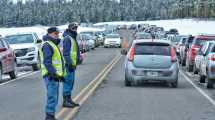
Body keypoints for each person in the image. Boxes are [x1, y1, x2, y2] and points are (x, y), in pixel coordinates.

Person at [40, 27, 64, 120]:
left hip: (54, 75)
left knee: (54, 96)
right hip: (50, 75)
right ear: (49, 34)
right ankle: (49, 117)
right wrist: (53, 73)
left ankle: (51, 116)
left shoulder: (52, 44)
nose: (57, 35)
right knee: (52, 96)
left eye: (58, 33)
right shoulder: (47, 45)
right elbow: (47, 62)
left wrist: (60, 75)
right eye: (55, 33)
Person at [62, 22, 80, 108]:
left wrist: (78, 58)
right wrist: (69, 63)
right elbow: (66, 53)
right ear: (69, 28)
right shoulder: (67, 38)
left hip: (72, 64)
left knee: (71, 82)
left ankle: (69, 99)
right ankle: (65, 101)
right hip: (68, 65)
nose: (75, 30)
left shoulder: (72, 38)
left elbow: (74, 51)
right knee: (67, 82)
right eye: (73, 28)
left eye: (76, 28)